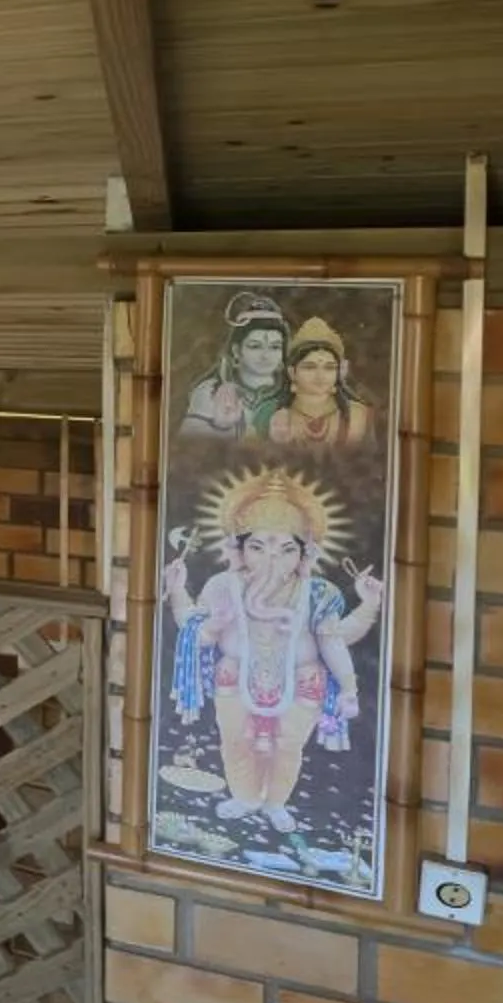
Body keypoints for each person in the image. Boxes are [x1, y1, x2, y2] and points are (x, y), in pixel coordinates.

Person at [163, 470, 384, 834]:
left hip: (302, 681)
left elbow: (336, 638)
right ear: (239, 549)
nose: (271, 560)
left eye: (286, 549)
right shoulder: (223, 586)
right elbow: (193, 629)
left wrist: (368, 610)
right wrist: (181, 594)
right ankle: (246, 796)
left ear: (302, 554)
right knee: (234, 740)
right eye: (258, 547)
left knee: (289, 746)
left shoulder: (318, 593)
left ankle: (276, 802)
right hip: (235, 676)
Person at [178, 292, 289, 440]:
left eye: (275, 347)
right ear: (236, 351)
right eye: (255, 346)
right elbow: (188, 450)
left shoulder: (294, 394)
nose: (266, 355)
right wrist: (220, 427)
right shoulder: (209, 392)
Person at [266, 316, 376, 451]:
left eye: (329, 367)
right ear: (292, 372)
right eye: (309, 367)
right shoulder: (271, 415)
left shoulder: (359, 416)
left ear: (339, 372)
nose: (320, 376)